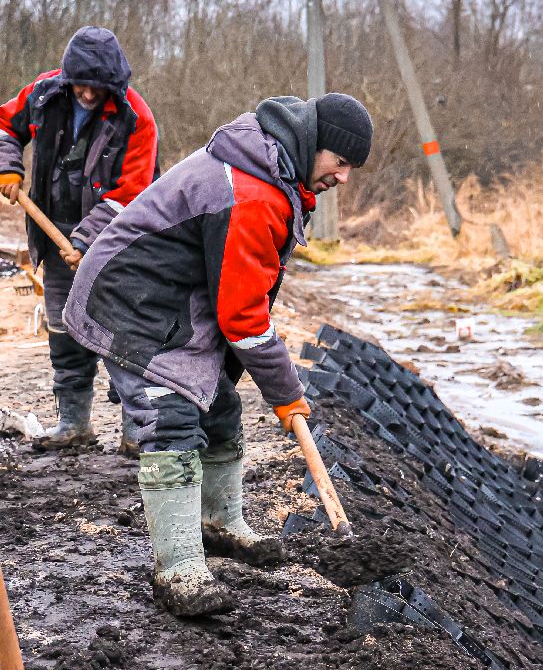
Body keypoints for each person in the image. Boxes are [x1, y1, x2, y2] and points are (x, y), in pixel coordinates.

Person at [63, 92, 372, 617]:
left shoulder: (272, 177)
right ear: (316, 145)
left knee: (221, 407)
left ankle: (219, 524)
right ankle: (178, 568)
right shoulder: (252, 193)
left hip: (173, 300)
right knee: (171, 417)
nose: (343, 178)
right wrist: (286, 393)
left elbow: (240, 294)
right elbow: (244, 318)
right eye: (340, 163)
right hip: (131, 302)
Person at [0, 26, 159, 449]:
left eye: (97, 88)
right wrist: (6, 166)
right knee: (64, 325)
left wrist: (86, 240)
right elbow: (3, 125)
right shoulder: (45, 94)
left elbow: (131, 195)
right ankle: (75, 422)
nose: (87, 93)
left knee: (121, 328)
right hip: (54, 226)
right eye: (81, 84)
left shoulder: (137, 119)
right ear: (68, 78)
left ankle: (139, 432)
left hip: (120, 236)